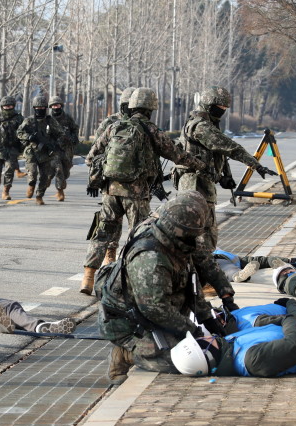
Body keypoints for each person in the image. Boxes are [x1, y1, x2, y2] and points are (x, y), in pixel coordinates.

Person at [97, 191, 239, 384]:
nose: (195, 239)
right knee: (186, 362)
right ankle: (126, 353)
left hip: (154, 313)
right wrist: (192, 331)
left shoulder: (177, 240)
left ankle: (159, 342)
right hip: (128, 323)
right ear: (179, 231)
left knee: (197, 348)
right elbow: (154, 308)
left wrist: (207, 315)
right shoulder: (150, 257)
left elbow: (195, 276)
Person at [80, 88, 207, 295]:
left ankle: (88, 278)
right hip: (136, 194)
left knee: (102, 234)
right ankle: (126, 282)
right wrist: (200, 165)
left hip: (110, 192)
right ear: (150, 108)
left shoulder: (115, 127)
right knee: (138, 236)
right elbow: (176, 154)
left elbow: (90, 157)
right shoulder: (151, 130)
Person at [174, 86, 278, 251]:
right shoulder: (201, 126)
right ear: (208, 105)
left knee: (204, 234)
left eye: (224, 108)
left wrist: (225, 175)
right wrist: (255, 165)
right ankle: (200, 265)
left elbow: (218, 153)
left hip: (200, 184)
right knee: (201, 235)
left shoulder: (208, 124)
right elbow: (230, 147)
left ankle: (200, 264)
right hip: (195, 186)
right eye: (219, 107)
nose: (222, 110)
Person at [82, 87, 136, 270]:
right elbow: (96, 152)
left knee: (129, 224)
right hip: (116, 180)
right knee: (114, 222)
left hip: (129, 182)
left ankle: (127, 259)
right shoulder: (111, 123)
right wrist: (95, 178)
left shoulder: (138, 124)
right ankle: (112, 255)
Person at [17, 95, 65, 205]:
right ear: (34, 108)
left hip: (45, 153)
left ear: (46, 108)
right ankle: (31, 185)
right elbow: (19, 132)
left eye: (42, 108)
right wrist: (28, 137)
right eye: (38, 108)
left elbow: (61, 134)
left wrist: (54, 143)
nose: (40, 110)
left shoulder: (50, 121)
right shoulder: (28, 121)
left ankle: (39, 196)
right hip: (31, 151)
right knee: (33, 172)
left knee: (44, 177)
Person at [48, 95, 80, 202]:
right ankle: (60, 191)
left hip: (67, 149)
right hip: (54, 149)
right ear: (51, 107)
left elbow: (75, 128)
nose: (55, 107)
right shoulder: (48, 119)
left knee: (66, 170)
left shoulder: (67, 118)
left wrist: (74, 138)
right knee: (58, 169)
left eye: (57, 105)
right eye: (53, 106)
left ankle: (60, 182)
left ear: (61, 106)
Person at [213, 249, 293, 283]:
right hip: (218, 261)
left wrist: (290, 261)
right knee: (228, 269)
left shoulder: (216, 249)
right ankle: (238, 275)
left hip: (238, 260)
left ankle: (278, 261)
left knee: (260, 260)